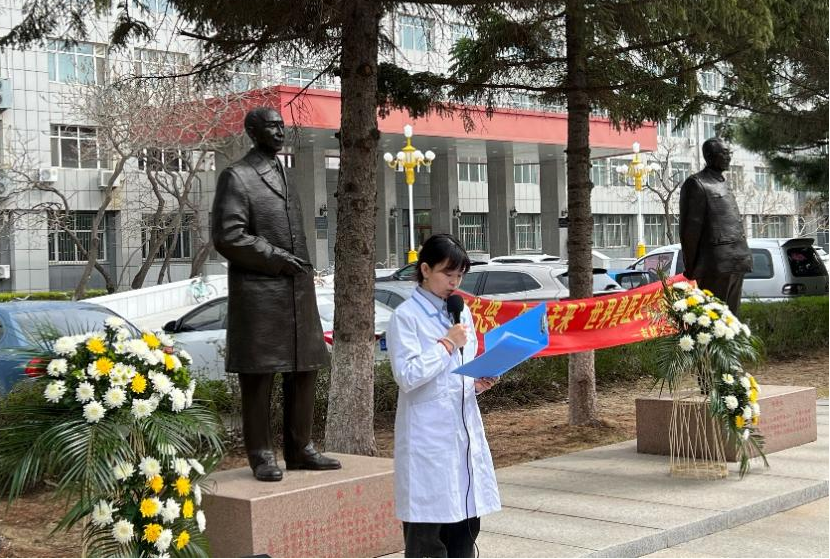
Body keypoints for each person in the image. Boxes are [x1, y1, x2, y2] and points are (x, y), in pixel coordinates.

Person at [211, 107, 341, 481]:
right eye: (271, 126)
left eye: (282, 125)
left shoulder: (284, 172)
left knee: (304, 368)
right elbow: (228, 236)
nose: (279, 131)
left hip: (296, 290)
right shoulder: (237, 176)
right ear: (253, 132)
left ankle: (301, 448)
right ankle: (261, 454)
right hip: (260, 293)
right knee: (259, 376)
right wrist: (276, 258)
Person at [386, 234, 501, 558]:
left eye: (459, 275)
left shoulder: (460, 312)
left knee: (465, 529)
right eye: (447, 274)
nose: (454, 282)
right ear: (425, 270)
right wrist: (446, 344)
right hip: (428, 439)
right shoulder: (405, 317)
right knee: (428, 537)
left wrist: (476, 382)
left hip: (462, 433)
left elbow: (457, 372)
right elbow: (407, 376)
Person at [679, 137, 752, 315]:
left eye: (729, 153)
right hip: (715, 264)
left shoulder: (722, 182)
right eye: (724, 153)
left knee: (732, 319)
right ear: (710, 156)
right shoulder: (697, 183)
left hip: (737, 261)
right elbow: (690, 231)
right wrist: (691, 267)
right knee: (714, 319)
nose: (729, 157)